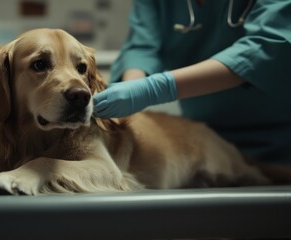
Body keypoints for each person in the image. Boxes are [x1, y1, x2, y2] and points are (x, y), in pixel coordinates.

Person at [93, 0, 291, 165]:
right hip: (203, 143)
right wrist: (132, 90)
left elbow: (268, 45)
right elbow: (141, 46)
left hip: (279, 143)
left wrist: (156, 88)